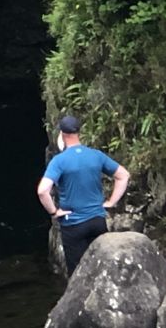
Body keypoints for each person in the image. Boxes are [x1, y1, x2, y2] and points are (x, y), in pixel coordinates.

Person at [37, 113, 130, 276]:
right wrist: (111, 202)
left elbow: (42, 191)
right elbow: (123, 175)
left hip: (74, 225)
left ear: (62, 134)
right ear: (79, 132)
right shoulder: (96, 155)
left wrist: (54, 212)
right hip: (97, 220)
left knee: (78, 275)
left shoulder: (59, 161)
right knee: (101, 271)